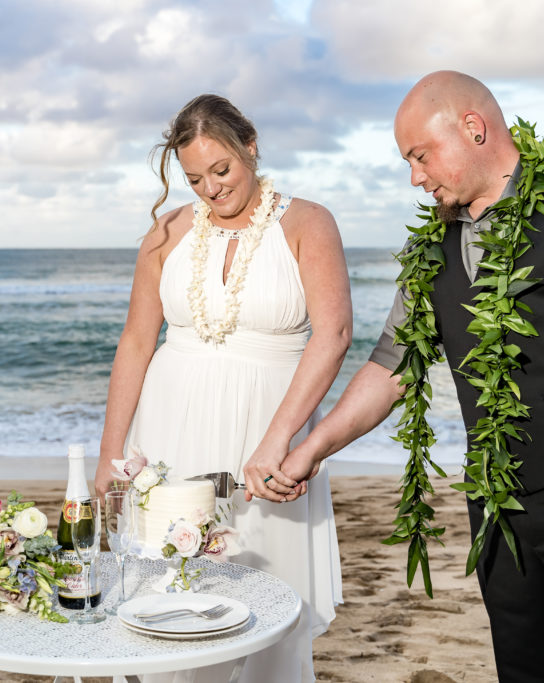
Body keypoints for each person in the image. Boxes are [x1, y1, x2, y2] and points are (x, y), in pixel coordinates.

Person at [276, 71, 544, 682]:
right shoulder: (433, 247)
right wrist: (312, 449)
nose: (415, 177)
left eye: (421, 155)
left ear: (474, 128)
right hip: (498, 507)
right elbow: (392, 364)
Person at [94, 94, 351, 683]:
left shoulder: (309, 222)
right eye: (193, 179)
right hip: (169, 431)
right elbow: (136, 340)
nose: (210, 189)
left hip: (268, 429)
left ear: (250, 146)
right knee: (167, 597)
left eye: (222, 170)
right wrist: (112, 453)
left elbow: (333, 335)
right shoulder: (165, 234)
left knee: (265, 600)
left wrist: (280, 438)